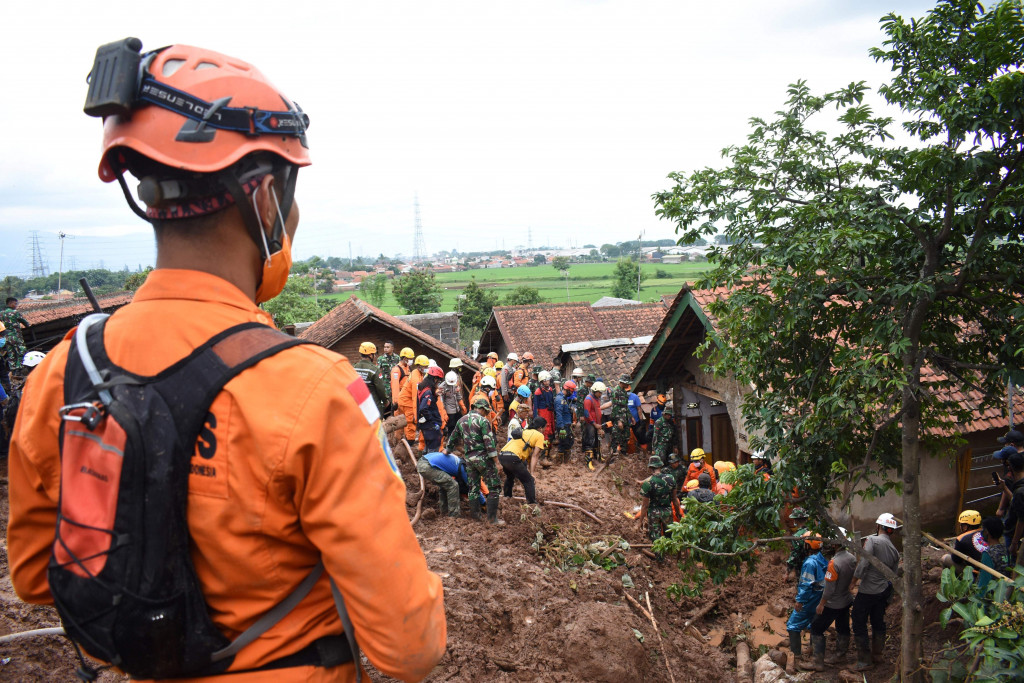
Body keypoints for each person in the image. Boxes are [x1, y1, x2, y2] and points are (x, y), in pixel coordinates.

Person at [7, 39, 444, 681]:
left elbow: (34, 575)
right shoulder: (316, 392)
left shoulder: (62, 372)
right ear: (264, 198)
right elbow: (411, 649)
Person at [851, 512, 901, 672]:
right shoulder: (895, 551)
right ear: (891, 531)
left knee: (858, 620)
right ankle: (878, 654)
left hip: (868, 590)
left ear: (878, 526)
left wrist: (853, 582)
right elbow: (893, 576)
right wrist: (889, 598)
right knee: (878, 621)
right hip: (883, 592)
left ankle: (864, 660)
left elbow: (864, 562)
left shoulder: (872, 540)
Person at [443, 398, 504, 526]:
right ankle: (492, 520)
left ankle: (476, 517)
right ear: (481, 409)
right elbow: (489, 444)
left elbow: (453, 437)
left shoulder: (461, 420)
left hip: (469, 459)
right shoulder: (483, 421)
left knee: (473, 488)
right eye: (485, 411)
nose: (486, 414)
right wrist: (497, 462)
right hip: (483, 459)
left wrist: (447, 450)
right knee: (494, 487)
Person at [805, 528, 856, 669]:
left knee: (816, 628)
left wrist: (822, 604)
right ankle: (841, 655)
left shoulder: (834, 563)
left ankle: (817, 662)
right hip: (846, 600)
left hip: (834, 603)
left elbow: (829, 588)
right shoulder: (852, 558)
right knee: (843, 627)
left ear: (834, 544)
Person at [786, 533, 827, 662]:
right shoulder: (822, 558)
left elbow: (806, 584)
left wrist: (800, 601)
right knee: (813, 623)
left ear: (808, 545)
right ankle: (813, 650)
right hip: (820, 595)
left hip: (811, 596)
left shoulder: (810, 562)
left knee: (793, 624)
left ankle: (796, 656)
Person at [636, 455, 682, 546]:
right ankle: (670, 557)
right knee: (669, 537)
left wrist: (640, 522)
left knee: (656, 539)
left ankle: (659, 558)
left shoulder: (647, 483)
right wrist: (678, 512)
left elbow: (645, 505)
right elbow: (675, 499)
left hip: (653, 514)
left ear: (650, 467)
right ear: (660, 466)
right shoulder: (670, 478)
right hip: (667, 512)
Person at [499, 420, 547, 504]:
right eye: (545, 428)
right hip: (513, 457)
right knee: (528, 480)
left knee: (510, 477)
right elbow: (535, 456)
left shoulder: (525, 431)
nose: (545, 430)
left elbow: (527, 458)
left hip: (502, 455)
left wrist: (528, 469)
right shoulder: (540, 435)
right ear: (540, 428)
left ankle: (507, 498)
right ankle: (532, 503)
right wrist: (532, 474)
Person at [416, 451, 468, 518]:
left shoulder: (456, 461)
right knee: (453, 485)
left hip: (423, 461)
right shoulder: (463, 468)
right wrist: (483, 502)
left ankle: (444, 512)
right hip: (427, 466)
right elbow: (472, 486)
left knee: (445, 485)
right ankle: (454, 516)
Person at [976, 517, 1011, 595]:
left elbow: (984, 582)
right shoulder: (1006, 550)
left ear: (987, 532)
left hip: (991, 595)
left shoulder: (988, 554)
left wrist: (977, 603)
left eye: (983, 529)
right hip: (1003, 592)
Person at [353, 342, 389, 416]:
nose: (375, 356)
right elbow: (380, 389)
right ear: (370, 355)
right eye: (374, 354)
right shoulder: (374, 369)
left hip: (358, 405)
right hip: (373, 405)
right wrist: (385, 401)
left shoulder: (354, 368)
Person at [400, 355, 429, 445]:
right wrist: (416, 415)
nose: (426, 368)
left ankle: (409, 439)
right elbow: (415, 397)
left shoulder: (419, 373)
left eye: (426, 367)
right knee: (411, 421)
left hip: (407, 399)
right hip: (407, 401)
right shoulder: (415, 377)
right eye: (424, 367)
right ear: (419, 366)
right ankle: (410, 441)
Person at [416, 365, 444, 452]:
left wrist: (435, 395)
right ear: (435, 379)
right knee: (433, 450)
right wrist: (432, 421)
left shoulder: (424, 388)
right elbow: (423, 408)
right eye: (438, 380)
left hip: (426, 426)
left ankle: (423, 463)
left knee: (427, 448)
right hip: (430, 426)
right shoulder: (427, 392)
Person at [1003, 451, 1024, 565]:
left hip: (1014, 534)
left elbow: (1021, 519)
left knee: (1013, 565)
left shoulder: (1020, 491)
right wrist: (1004, 488)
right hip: (1015, 534)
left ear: (1010, 468)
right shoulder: (1019, 488)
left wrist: (1014, 543)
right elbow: (1015, 502)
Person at [0, 297, 29, 375]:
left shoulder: (1, 313)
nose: (16, 305)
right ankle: (21, 368)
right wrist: (27, 326)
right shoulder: (15, 312)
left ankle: (13, 370)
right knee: (21, 351)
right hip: (16, 336)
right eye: (15, 303)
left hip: (6, 337)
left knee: (11, 353)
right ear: (10, 303)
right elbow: (25, 322)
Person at [605, 374, 633, 456]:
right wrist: (619, 421)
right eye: (627, 383)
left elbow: (625, 406)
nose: (628, 385)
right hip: (618, 419)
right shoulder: (616, 392)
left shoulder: (624, 392)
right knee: (616, 437)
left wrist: (631, 417)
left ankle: (623, 454)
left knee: (626, 436)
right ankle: (613, 455)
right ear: (622, 382)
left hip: (625, 418)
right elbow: (615, 408)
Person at [582, 381, 606, 470]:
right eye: (599, 392)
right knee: (590, 441)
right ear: (595, 391)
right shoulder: (588, 399)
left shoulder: (597, 399)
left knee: (597, 440)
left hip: (597, 423)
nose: (600, 394)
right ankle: (588, 461)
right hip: (590, 424)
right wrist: (594, 424)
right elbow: (587, 413)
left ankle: (597, 456)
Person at [785, 507, 812, 583]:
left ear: (795, 520)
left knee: (803, 587)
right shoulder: (812, 532)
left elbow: (794, 555)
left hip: (803, 567)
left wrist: (787, 572)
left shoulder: (797, 536)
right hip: (815, 565)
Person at [439, 371, 466, 445]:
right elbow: (441, 400)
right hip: (449, 410)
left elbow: (458, 395)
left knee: (458, 424)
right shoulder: (442, 387)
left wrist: (462, 405)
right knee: (451, 426)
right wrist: (444, 411)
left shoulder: (455, 384)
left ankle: (458, 440)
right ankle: (451, 443)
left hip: (457, 408)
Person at [553, 380, 576, 463]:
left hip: (567, 424)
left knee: (568, 442)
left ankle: (565, 461)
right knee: (564, 443)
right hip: (563, 425)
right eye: (571, 391)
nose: (572, 394)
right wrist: (561, 427)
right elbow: (558, 414)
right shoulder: (560, 399)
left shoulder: (564, 398)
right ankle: (560, 462)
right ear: (568, 390)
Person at [376, 340, 400, 408]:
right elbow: (377, 371)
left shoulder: (397, 358)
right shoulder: (380, 359)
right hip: (385, 386)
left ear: (392, 348)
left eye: (387, 347)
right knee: (384, 405)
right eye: (384, 347)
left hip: (395, 385)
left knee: (395, 404)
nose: (385, 349)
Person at [390, 347, 414, 414]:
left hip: (408, 400)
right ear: (405, 358)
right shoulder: (396, 370)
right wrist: (396, 402)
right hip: (400, 400)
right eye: (411, 359)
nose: (412, 361)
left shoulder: (409, 368)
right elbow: (395, 387)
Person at [533, 370, 556, 439]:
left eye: (548, 380)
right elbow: (535, 405)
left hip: (550, 411)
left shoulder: (550, 389)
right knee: (545, 426)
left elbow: (552, 400)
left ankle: (551, 439)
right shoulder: (538, 391)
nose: (547, 382)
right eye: (545, 380)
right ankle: (544, 441)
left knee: (551, 425)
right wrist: (535, 417)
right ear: (541, 381)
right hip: (542, 411)